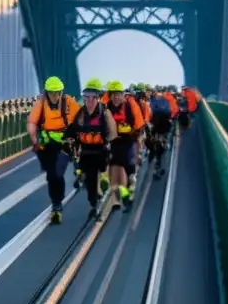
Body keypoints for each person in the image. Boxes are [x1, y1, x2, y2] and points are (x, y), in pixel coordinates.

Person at [26, 76, 80, 224]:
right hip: (48, 144)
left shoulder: (68, 102)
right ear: (47, 93)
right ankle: (56, 202)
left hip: (65, 143)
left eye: (58, 92)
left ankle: (57, 205)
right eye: (52, 93)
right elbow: (32, 122)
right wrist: (34, 140)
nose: (55, 96)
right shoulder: (41, 104)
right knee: (51, 175)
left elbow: (82, 117)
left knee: (57, 172)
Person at [65, 78, 117, 218]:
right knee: (88, 181)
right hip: (86, 151)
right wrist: (67, 139)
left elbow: (112, 133)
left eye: (92, 97)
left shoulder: (105, 113)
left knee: (98, 179)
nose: (88, 100)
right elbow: (72, 129)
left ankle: (98, 201)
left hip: (101, 152)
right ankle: (93, 199)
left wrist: (107, 142)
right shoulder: (80, 113)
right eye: (85, 96)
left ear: (98, 98)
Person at [105, 80, 145, 208]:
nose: (116, 97)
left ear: (123, 95)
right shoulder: (106, 108)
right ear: (110, 95)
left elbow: (139, 126)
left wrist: (139, 149)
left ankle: (129, 191)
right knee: (114, 169)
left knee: (129, 171)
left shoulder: (130, 106)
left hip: (129, 142)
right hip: (115, 143)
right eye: (113, 95)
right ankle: (117, 199)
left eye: (119, 94)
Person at [147, 90, 173, 178]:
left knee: (155, 146)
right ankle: (160, 167)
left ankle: (155, 165)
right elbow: (170, 113)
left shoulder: (152, 102)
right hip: (165, 127)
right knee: (162, 147)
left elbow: (150, 116)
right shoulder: (166, 101)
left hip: (157, 127)